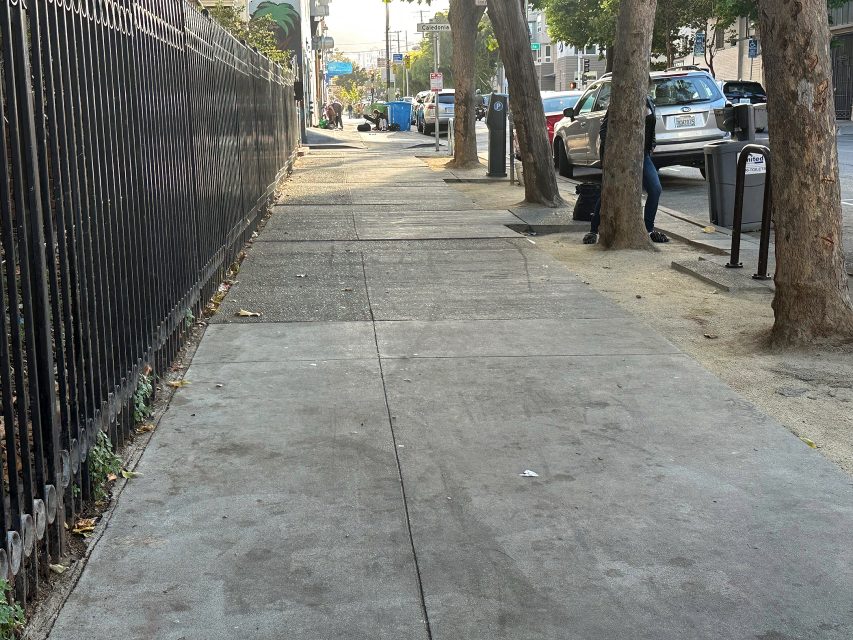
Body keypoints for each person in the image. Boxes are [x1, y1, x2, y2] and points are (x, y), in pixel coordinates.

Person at [583, 79, 668, 245]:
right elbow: (604, 129)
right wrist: (610, 155)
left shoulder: (649, 102)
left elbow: (651, 127)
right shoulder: (619, 101)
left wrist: (652, 145)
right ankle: (593, 230)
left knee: (655, 188)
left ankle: (648, 229)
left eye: (646, 84)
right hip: (619, 155)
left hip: (642, 154)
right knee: (610, 189)